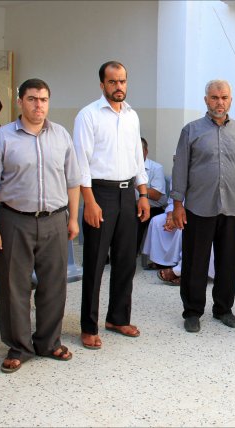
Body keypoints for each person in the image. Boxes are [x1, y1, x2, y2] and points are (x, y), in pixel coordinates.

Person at [0, 78, 81, 373]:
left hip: (55, 220)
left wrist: (73, 218)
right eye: (32, 99)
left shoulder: (61, 135)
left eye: (43, 99)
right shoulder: (2, 138)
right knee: (14, 286)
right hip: (14, 220)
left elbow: (73, 181)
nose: (38, 105)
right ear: (20, 101)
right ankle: (19, 347)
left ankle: (49, 342)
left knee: (54, 285)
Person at [73, 61, 150, 350]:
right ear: (102, 84)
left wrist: (143, 194)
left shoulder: (132, 116)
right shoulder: (88, 115)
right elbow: (81, 162)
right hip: (100, 194)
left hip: (128, 194)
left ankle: (118, 318)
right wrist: (89, 201)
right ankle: (88, 326)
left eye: (122, 81)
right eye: (112, 81)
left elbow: (137, 158)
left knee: (126, 261)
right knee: (95, 263)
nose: (119, 86)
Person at [171, 79, 235, 333]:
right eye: (215, 97)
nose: (220, 102)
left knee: (227, 262)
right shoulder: (191, 130)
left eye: (224, 97)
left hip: (232, 207)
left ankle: (223, 309)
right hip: (199, 207)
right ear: (206, 100)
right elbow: (180, 168)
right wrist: (178, 204)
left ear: (230, 100)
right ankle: (192, 311)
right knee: (195, 262)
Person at [136, 137, 167, 256]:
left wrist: (136, 184)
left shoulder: (156, 168)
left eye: (139, 151)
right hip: (132, 205)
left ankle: (131, 255)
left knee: (136, 220)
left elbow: (156, 195)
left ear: (146, 151)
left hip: (154, 207)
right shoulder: (127, 167)